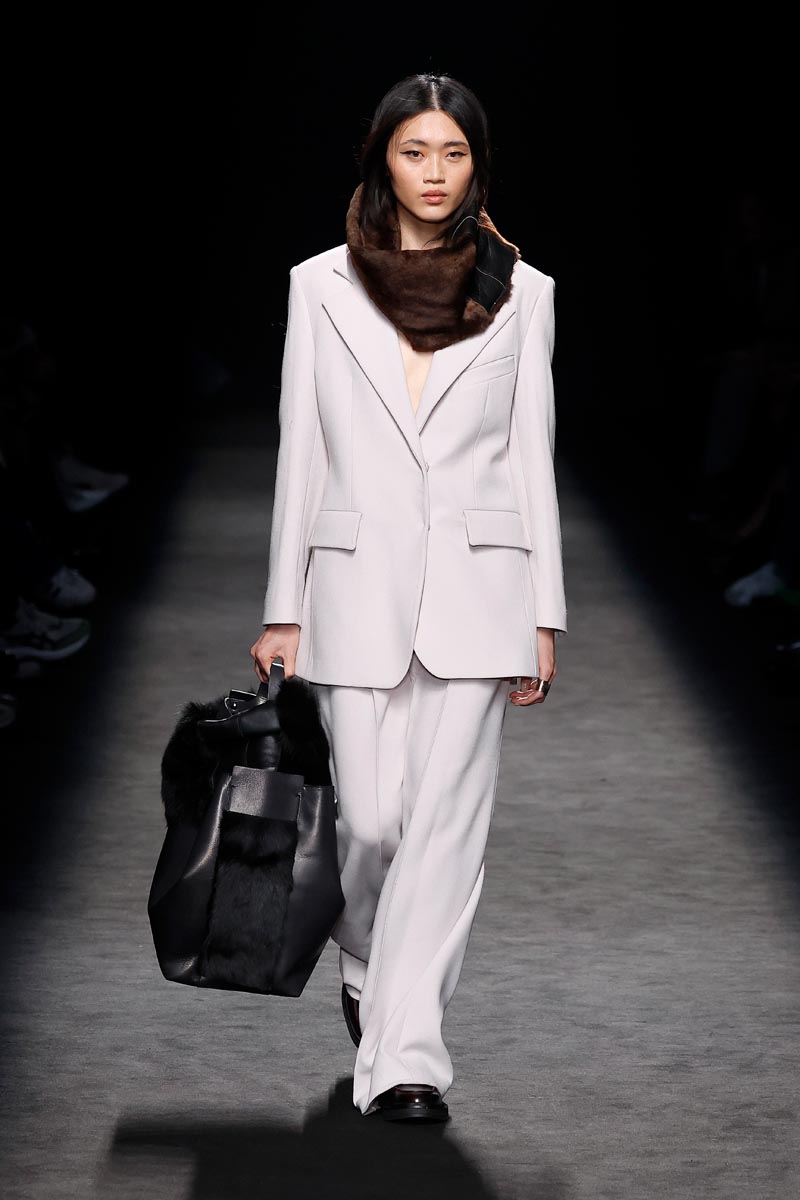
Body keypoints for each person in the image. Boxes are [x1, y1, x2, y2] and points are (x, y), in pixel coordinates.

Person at [250, 73, 568, 1123]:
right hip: (350, 586)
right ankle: (368, 963)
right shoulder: (319, 286)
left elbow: (530, 456)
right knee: (371, 825)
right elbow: (301, 451)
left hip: (482, 587)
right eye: (414, 152)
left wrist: (544, 610)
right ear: (381, 159)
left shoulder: (524, 291)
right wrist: (282, 607)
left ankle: (407, 1061)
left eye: (454, 154)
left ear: (478, 165)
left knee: (445, 830)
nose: (435, 174)